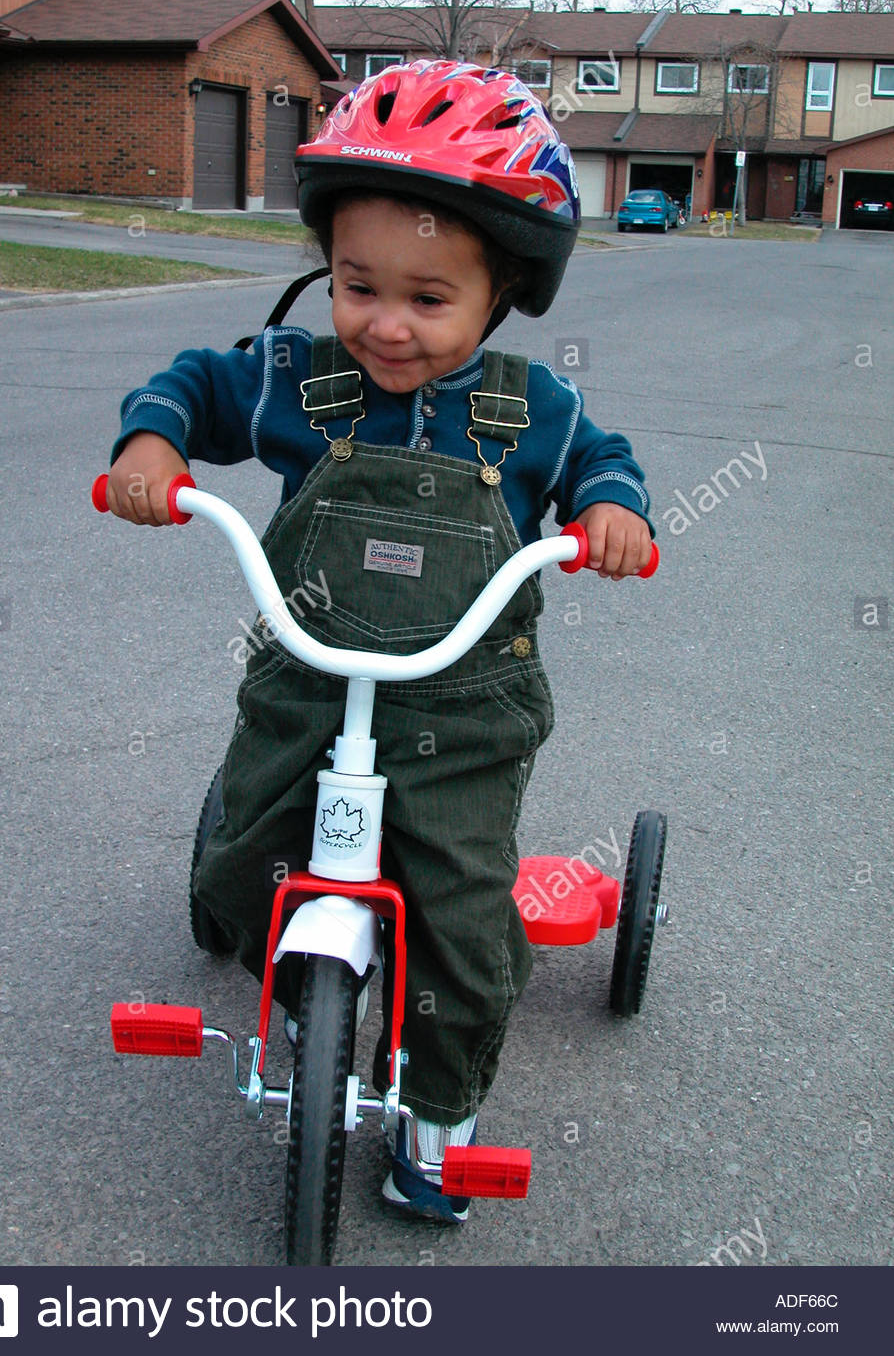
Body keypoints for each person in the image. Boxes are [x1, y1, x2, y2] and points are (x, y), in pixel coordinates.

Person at [103, 60, 654, 1223]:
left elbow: (599, 459)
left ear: (499, 292)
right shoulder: (300, 382)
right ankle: (302, 991)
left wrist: (611, 510)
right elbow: (196, 382)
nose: (384, 325)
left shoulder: (526, 411)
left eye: (427, 297)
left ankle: (438, 1116)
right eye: (357, 285)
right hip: (309, 680)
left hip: (459, 711)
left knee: (461, 922)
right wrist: (155, 445)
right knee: (238, 856)